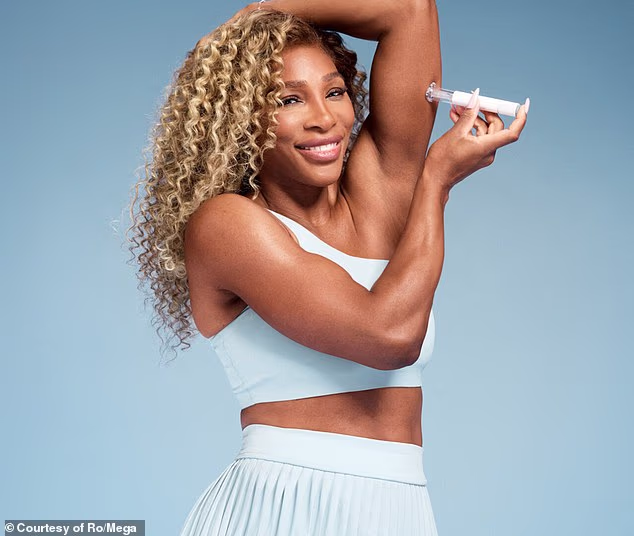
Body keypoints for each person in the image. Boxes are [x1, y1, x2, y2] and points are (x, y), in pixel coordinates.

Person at [129, 0, 527, 534]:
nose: (324, 118)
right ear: (241, 118)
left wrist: (256, 14)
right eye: (288, 99)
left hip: (400, 507)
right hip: (282, 505)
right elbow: (390, 338)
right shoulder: (226, 226)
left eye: (334, 91)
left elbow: (409, 10)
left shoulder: (379, 192)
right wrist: (434, 182)